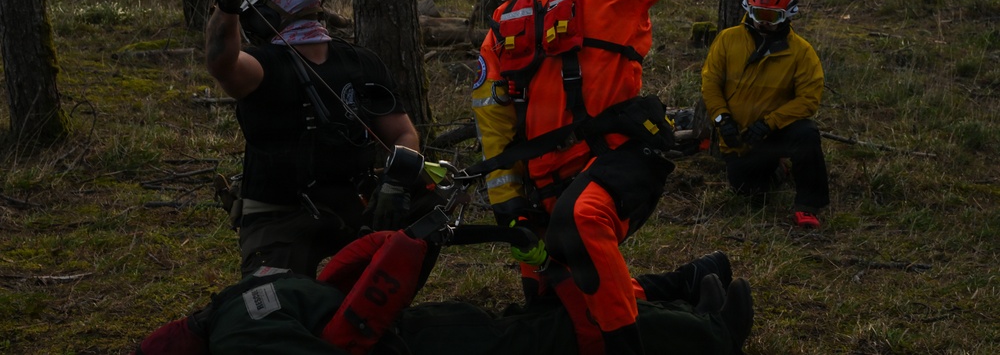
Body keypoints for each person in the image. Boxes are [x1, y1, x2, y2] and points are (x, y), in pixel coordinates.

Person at [470, 0, 813, 354]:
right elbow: (493, 121)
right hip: (544, 184)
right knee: (556, 302)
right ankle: (687, 283)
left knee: (579, 228)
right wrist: (507, 205)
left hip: (618, 166)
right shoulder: (504, 22)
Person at [130, 229, 754, 355]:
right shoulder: (233, 310)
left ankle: (685, 311)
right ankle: (705, 329)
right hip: (426, 336)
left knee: (542, 322)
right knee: (553, 328)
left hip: (424, 333)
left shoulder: (236, 326)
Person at [207, 0, 421, 278]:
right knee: (274, 308)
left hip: (355, 205)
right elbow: (222, 64)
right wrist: (226, 9)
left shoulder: (361, 62)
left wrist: (395, 183)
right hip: (278, 216)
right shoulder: (260, 66)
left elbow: (405, 135)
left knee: (426, 222)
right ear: (261, 18)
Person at [700, 0, 829, 228]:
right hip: (739, 140)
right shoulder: (727, 40)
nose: (764, 22)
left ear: (787, 14)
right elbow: (710, 83)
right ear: (749, 9)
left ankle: (809, 205)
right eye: (760, 14)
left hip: (774, 133)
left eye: (772, 16)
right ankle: (779, 171)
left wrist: (770, 124)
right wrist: (721, 119)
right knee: (748, 191)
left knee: (807, 134)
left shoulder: (801, 52)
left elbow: (809, 100)